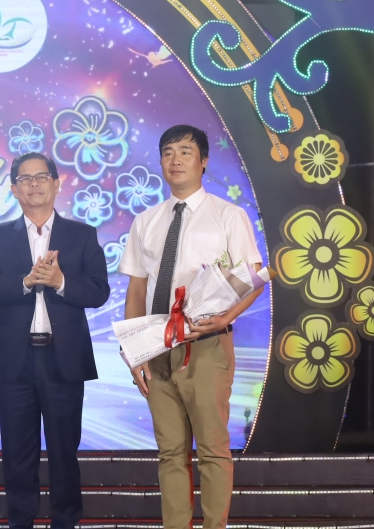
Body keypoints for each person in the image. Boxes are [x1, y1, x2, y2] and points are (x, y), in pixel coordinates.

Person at [118, 125, 263, 529]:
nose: (176, 159)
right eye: (168, 152)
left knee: (214, 449)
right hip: (157, 347)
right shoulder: (146, 221)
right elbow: (137, 289)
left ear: (203, 162)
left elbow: (253, 278)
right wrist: (134, 351)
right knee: (170, 452)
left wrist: (227, 317)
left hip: (206, 346)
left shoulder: (227, 216)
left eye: (186, 151)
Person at [0, 151, 110, 529]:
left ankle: (66, 522)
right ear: (14, 189)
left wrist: (60, 282)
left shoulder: (81, 235)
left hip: (63, 359)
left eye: (41, 177)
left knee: (64, 451)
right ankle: (20, 521)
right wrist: (26, 280)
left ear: (56, 182)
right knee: (18, 453)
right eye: (25, 179)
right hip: (14, 361)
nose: (33, 185)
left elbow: (99, 291)